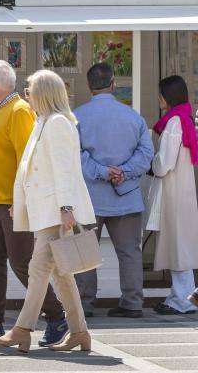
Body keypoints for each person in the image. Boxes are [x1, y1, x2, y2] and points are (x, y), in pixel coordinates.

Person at [0, 60, 67, 347]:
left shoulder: (18, 111)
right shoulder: (2, 110)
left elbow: (28, 160)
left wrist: (22, 202)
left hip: (10, 204)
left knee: (22, 263)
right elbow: (9, 156)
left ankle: (57, 316)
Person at [0, 69, 96, 353]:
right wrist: (21, 202)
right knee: (61, 274)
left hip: (56, 212)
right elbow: (32, 171)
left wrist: (66, 208)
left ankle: (22, 330)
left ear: (43, 93)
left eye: (30, 90)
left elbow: (64, 171)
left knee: (38, 268)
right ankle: (79, 332)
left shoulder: (57, 123)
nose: (27, 96)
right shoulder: (45, 122)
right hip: (49, 210)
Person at [73, 63, 154, 318]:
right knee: (130, 252)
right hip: (127, 196)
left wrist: (103, 172)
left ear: (89, 86)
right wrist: (124, 171)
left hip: (90, 198)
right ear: (113, 83)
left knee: (85, 252)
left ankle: (84, 304)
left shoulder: (77, 117)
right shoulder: (133, 116)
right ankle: (132, 303)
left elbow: (76, 155)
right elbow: (146, 154)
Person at [150, 75, 198, 315]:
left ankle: (182, 299)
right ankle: (181, 295)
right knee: (183, 245)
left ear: (166, 97)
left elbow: (164, 163)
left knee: (178, 246)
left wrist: (151, 163)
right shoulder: (185, 118)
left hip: (173, 191)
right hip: (184, 191)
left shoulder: (173, 122)